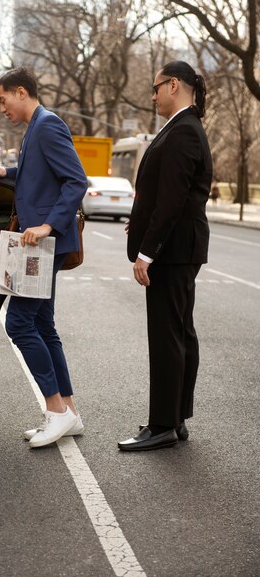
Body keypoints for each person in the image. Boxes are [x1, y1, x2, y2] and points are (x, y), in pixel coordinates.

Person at [0, 67, 88, 448]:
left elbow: (77, 180)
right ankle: (69, 412)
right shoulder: (36, 127)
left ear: (21, 92)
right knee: (43, 324)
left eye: (2, 99)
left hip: (43, 243)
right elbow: (39, 175)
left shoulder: (47, 125)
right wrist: (6, 171)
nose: (1, 108)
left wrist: (47, 226)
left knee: (18, 323)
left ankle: (55, 411)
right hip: (40, 244)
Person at [118, 61, 213, 452]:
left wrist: (146, 253)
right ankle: (176, 419)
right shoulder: (182, 128)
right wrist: (139, 225)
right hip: (178, 249)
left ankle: (161, 426)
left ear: (173, 85)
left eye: (156, 88)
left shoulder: (183, 131)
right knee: (180, 333)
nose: (153, 95)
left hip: (172, 252)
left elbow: (173, 201)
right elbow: (164, 194)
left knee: (167, 337)